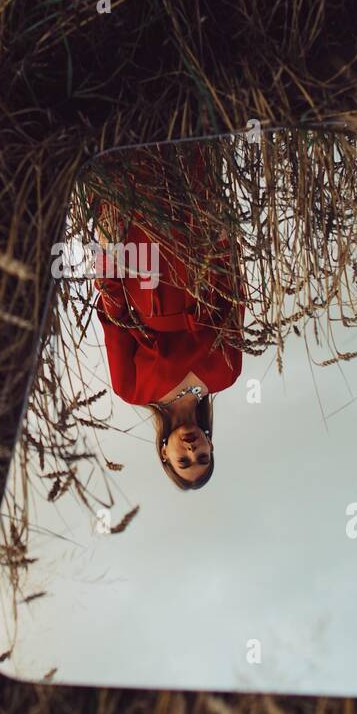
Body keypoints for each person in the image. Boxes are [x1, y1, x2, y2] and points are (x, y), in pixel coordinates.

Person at [90, 157, 244, 490]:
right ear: (211, 445)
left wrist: (108, 250)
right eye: (202, 456)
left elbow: (115, 318)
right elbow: (233, 299)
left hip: (143, 261)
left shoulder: (131, 390)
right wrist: (220, 239)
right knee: (189, 152)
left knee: (134, 157)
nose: (192, 450)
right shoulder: (227, 375)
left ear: (164, 453)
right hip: (197, 246)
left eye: (183, 461)